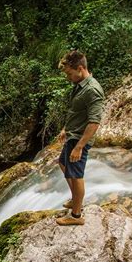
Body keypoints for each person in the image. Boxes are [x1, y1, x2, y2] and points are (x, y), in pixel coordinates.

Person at [56, 50, 104, 226]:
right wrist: (65, 129)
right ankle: (76, 198)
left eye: (69, 73)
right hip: (72, 135)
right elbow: (75, 112)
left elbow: (94, 122)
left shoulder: (92, 90)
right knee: (63, 163)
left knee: (76, 175)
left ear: (81, 68)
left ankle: (76, 216)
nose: (68, 77)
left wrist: (79, 146)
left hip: (79, 139)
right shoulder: (79, 84)